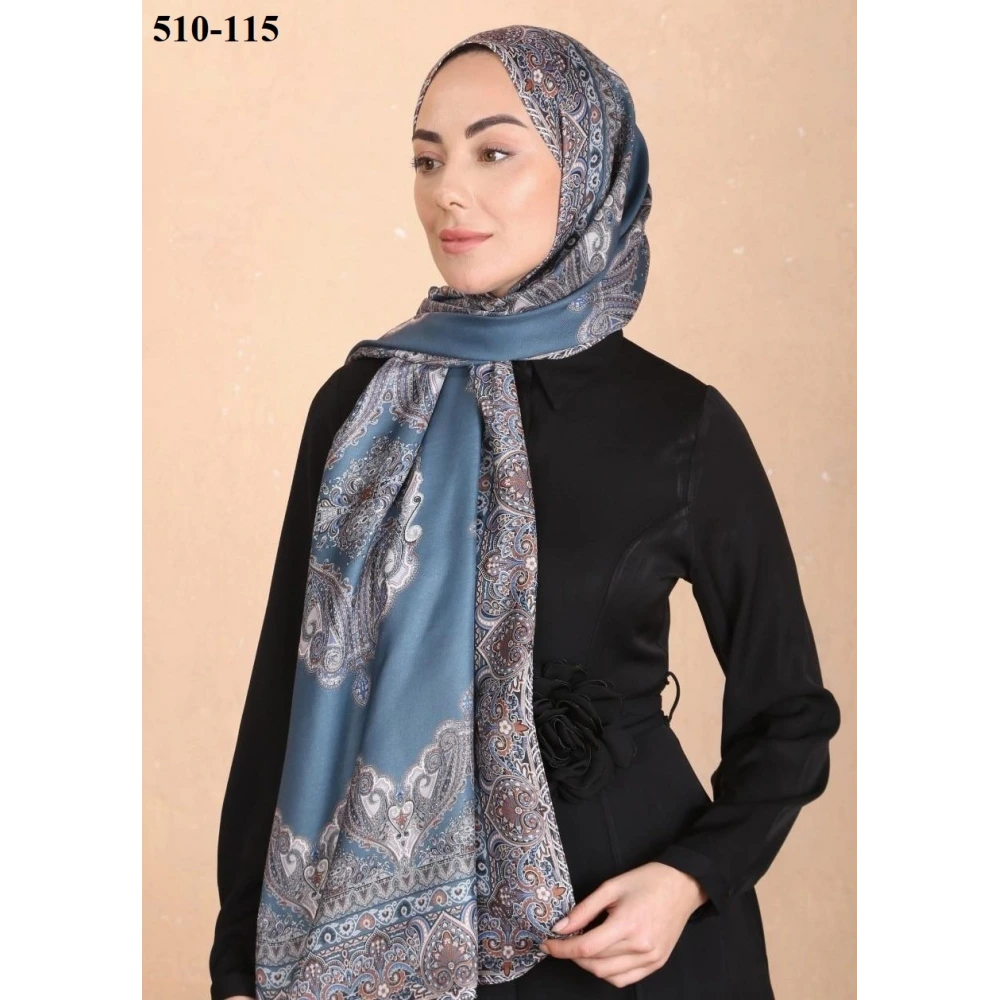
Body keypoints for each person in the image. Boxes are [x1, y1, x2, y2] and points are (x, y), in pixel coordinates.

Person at [209, 25, 842, 1000]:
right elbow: (283, 710)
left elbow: (790, 714)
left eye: (494, 153)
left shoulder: (679, 424)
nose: (448, 193)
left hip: (628, 940)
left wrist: (689, 880)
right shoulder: (361, 409)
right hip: (375, 949)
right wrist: (236, 966)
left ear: (584, 170)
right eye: (427, 159)